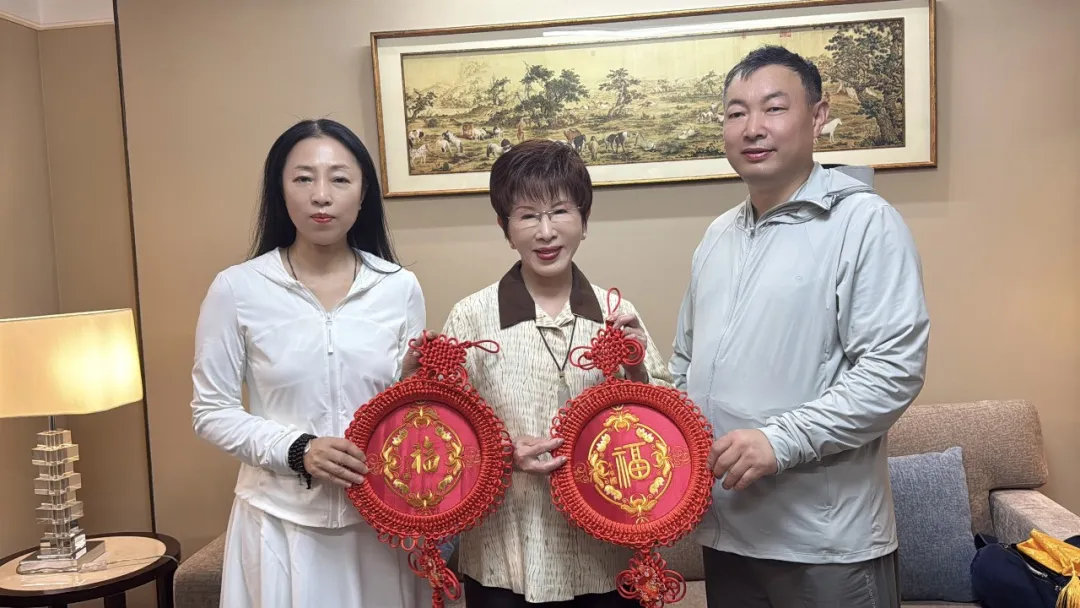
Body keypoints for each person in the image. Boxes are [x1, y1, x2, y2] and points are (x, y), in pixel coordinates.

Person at [669, 45, 930, 607]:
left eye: (773, 108)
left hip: (824, 545)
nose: (752, 128)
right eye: (736, 112)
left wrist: (779, 441)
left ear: (817, 116)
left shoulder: (864, 222)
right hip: (726, 532)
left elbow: (892, 371)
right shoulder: (717, 235)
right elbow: (685, 364)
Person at [190, 118, 431, 607]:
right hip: (278, 525)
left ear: (363, 194)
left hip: (380, 524)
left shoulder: (398, 287)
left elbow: (407, 411)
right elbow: (211, 411)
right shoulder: (237, 288)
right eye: (303, 178)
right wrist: (298, 450)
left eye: (339, 179)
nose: (321, 195)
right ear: (280, 190)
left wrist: (418, 393)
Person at [437, 139, 673, 607]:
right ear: (505, 228)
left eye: (560, 211)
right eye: (527, 216)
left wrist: (636, 364)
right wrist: (504, 453)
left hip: (607, 556)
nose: (546, 232)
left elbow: (667, 425)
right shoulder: (470, 317)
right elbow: (443, 435)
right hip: (503, 557)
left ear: (584, 219)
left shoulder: (616, 312)